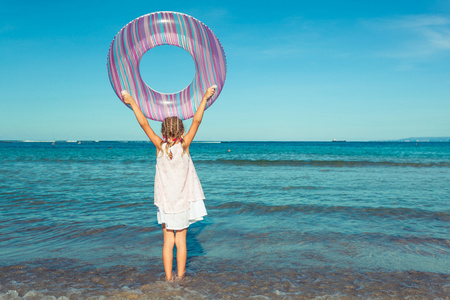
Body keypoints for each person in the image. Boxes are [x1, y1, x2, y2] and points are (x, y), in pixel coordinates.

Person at [121, 86, 216, 281]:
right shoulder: (184, 145)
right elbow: (197, 120)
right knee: (181, 242)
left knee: (167, 242)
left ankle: (168, 278)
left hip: (165, 203)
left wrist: (132, 102)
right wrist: (205, 97)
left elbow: (144, 124)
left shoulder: (159, 146)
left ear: (163, 131)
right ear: (181, 130)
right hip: (182, 203)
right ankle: (181, 278)